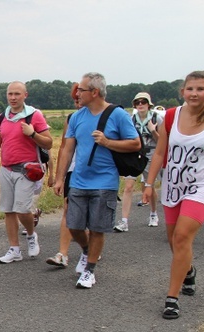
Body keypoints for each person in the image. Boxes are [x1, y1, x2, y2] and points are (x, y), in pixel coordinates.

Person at [54, 72, 141, 289]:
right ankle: (86, 251)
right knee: (74, 225)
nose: (77, 94)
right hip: (79, 181)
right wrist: (60, 178)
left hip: (105, 181)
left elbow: (135, 144)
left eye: (81, 90)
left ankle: (90, 270)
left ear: (94, 92)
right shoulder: (76, 117)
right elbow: (67, 149)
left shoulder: (118, 114)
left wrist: (108, 142)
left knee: (97, 228)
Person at [142, 70, 204, 319]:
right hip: (173, 185)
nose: (194, 93)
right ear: (183, 91)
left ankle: (172, 298)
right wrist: (149, 185)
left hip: (203, 187)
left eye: (200, 89)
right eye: (190, 88)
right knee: (173, 240)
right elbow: (160, 153)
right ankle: (189, 270)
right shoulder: (171, 116)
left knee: (182, 236)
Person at [0, 81, 53, 263]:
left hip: (27, 170)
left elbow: (49, 143)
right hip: (6, 169)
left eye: (17, 94)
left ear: (25, 95)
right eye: (10, 94)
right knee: (8, 211)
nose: (13, 97)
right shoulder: (2, 118)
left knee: (22, 210)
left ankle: (30, 234)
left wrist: (33, 134)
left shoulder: (34, 116)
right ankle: (14, 249)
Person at [114, 92, 164, 231]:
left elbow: (162, 142)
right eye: (138, 102)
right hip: (135, 155)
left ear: (149, 104)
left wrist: (153, 130)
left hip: (151, 153)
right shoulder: (131, 119)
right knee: (128, 186)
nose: (140, 105)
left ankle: (153, 214)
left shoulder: (157, 118)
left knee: (150, 185)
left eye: (143, 102)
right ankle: (124, 221)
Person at [46, 83, 83, 268]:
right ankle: (63, 254)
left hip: (95, 173)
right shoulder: (72, 118)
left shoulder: (105, 117)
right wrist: (59, 177)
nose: (77, 102)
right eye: (75, 99)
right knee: (68, 210)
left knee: (90, 213)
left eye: (80, 97)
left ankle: (90, 249)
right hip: (73, 171)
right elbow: (64, 147)